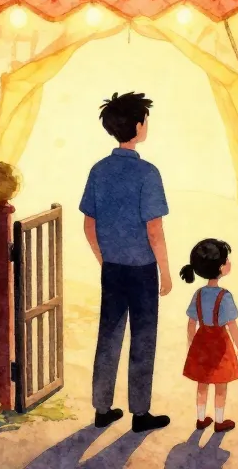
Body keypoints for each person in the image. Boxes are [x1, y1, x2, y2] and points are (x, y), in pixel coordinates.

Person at [81, 92, 172, 432]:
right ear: (137, 126)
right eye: (145, 120)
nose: (146, 125)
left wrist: (104, 259)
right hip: (142, 269)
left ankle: (102, 408)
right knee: (143, 338)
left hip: (113, 269)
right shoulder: (147, 173)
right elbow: (154, 230)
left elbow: (89, 225)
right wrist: (165, 272)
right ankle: (140, 413)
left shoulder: (98, 171)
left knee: (109, 335)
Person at [181, 238, 238, 434]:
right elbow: (232, 325)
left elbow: (191, 323)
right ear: (220, 267)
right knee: (220, 385)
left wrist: (191, 344)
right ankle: (219, 421)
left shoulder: (199, 294)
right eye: (226, 260)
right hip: (220, 343)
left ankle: (201, 419)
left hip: (201, 341)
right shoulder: (224, 296)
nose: (229, 263)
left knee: (202, 383)